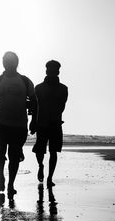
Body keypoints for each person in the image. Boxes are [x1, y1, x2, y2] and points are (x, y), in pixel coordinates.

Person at [0, 51, 37, 198]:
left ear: (16, 63)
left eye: (11, 61)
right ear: (3, 63)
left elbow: (35, 101)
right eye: (6, 61)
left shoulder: (25, 81)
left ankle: (11, 184)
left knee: (14, 156)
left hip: (19, 125)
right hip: (0, 124)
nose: (8, 64)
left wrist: (34, 120)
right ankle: (1, 177)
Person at [32, 60, 68, 188]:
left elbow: (62, 107)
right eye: (50, 70)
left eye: (54, 70)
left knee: (54, 152)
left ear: (58, 72)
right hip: (41, 124)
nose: (52, 72)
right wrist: (34, 122)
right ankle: (41, 166)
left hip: (55, 124)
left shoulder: (63, 89)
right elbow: (35, 107)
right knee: (40, 151)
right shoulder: (38, 88)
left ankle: (50, 177)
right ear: (46, 71)